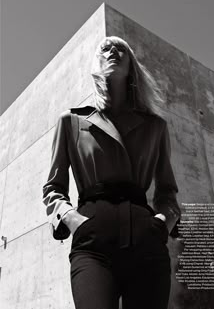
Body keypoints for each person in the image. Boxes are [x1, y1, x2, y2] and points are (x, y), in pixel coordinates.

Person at [43, 36, 181, 309]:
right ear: (97, 62)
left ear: (131, 66)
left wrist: (161, 224)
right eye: (105, 48)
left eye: (121, 49)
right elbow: (53, 188)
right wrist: (72, 219)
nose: (113, 51)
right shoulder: (71, 121)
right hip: (93, 240)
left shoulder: (155, 127)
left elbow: (167, 191)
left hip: (147, 242)